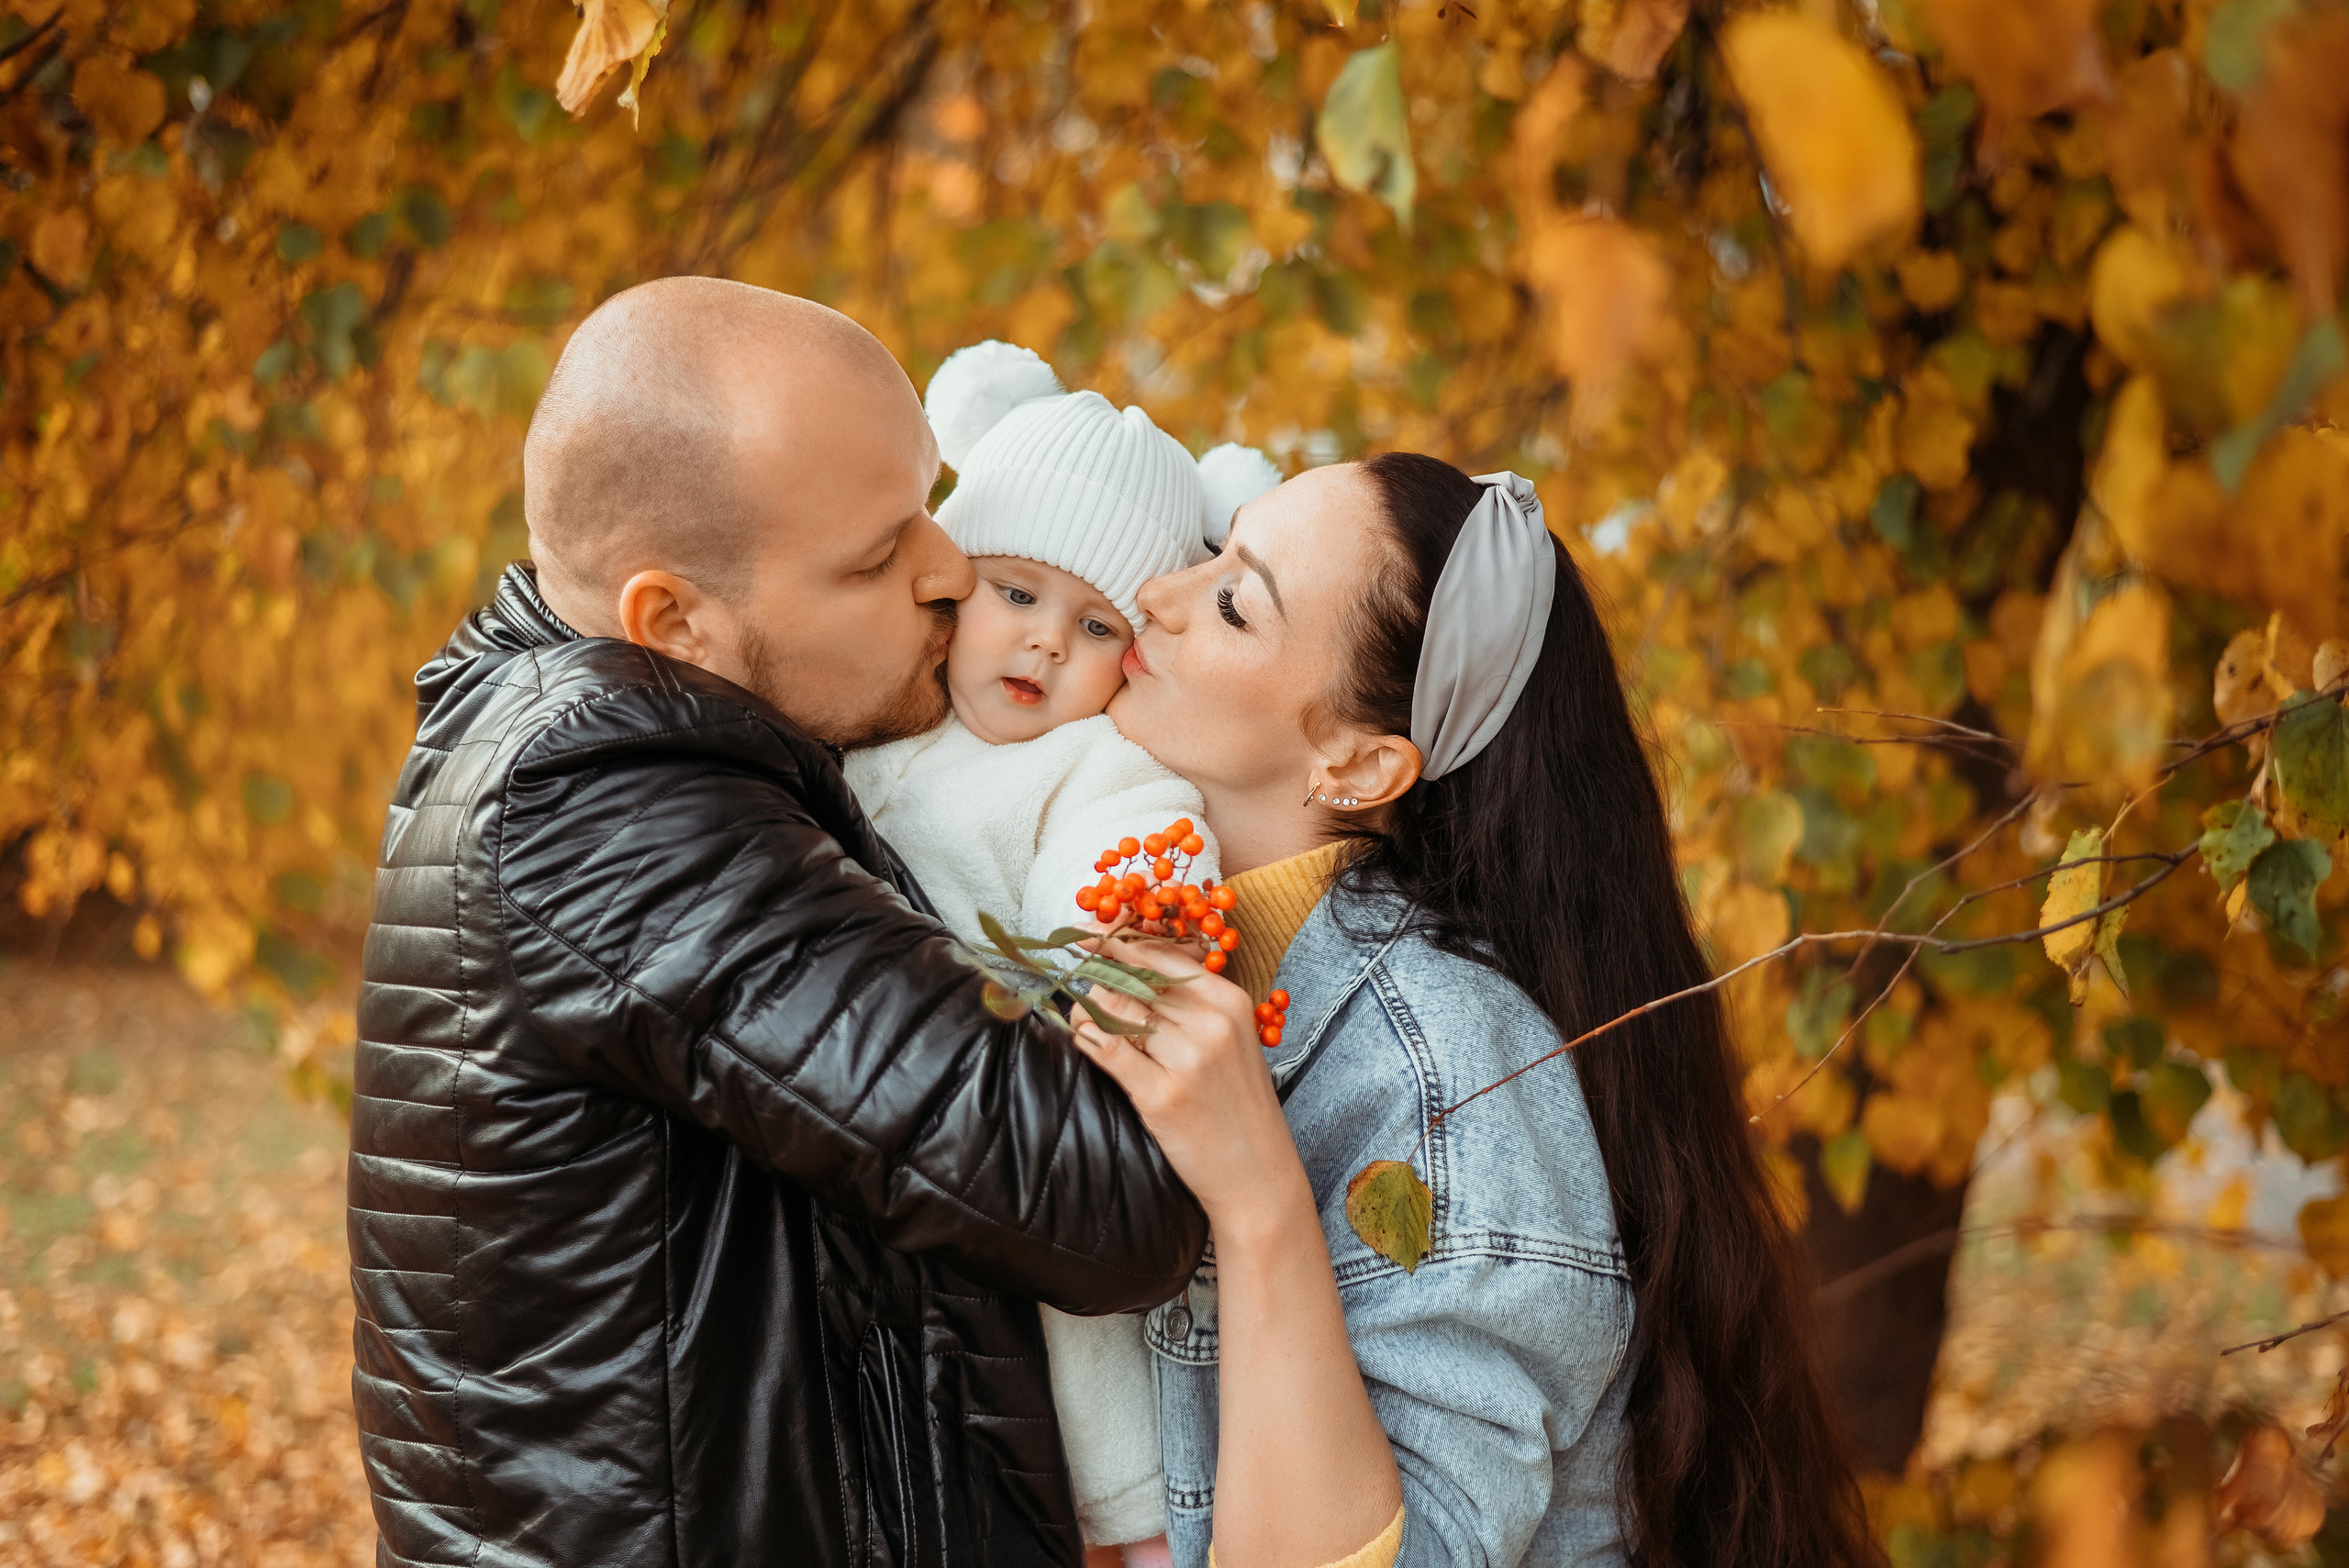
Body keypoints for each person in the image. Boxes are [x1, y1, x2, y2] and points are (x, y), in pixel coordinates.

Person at [347, 277, 1208, 1568]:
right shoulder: (604, 811)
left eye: (931, 500)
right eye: (878, 553)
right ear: (676, 622)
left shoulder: (593, 754)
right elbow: (1104, 1192)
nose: (952, 568)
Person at [1069, 454, 1876, 1567]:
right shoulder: (1166, 946)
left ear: (1356, 762)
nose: (1155, 594)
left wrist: (1258, 1196)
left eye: (1232, 601)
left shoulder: (1452, 1071)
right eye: (1214, 549)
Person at [841, 339, 1275, 1562]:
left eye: (1095, 626)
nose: (1040, 645)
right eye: (1015, 592)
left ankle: (1133, 1521)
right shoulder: (874, 725)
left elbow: (1134, 861)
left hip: (1030, 1147)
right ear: (952, 577)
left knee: (1091, 1423)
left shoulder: (1103, 769)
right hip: (888, 1147)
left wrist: (1111, 937)